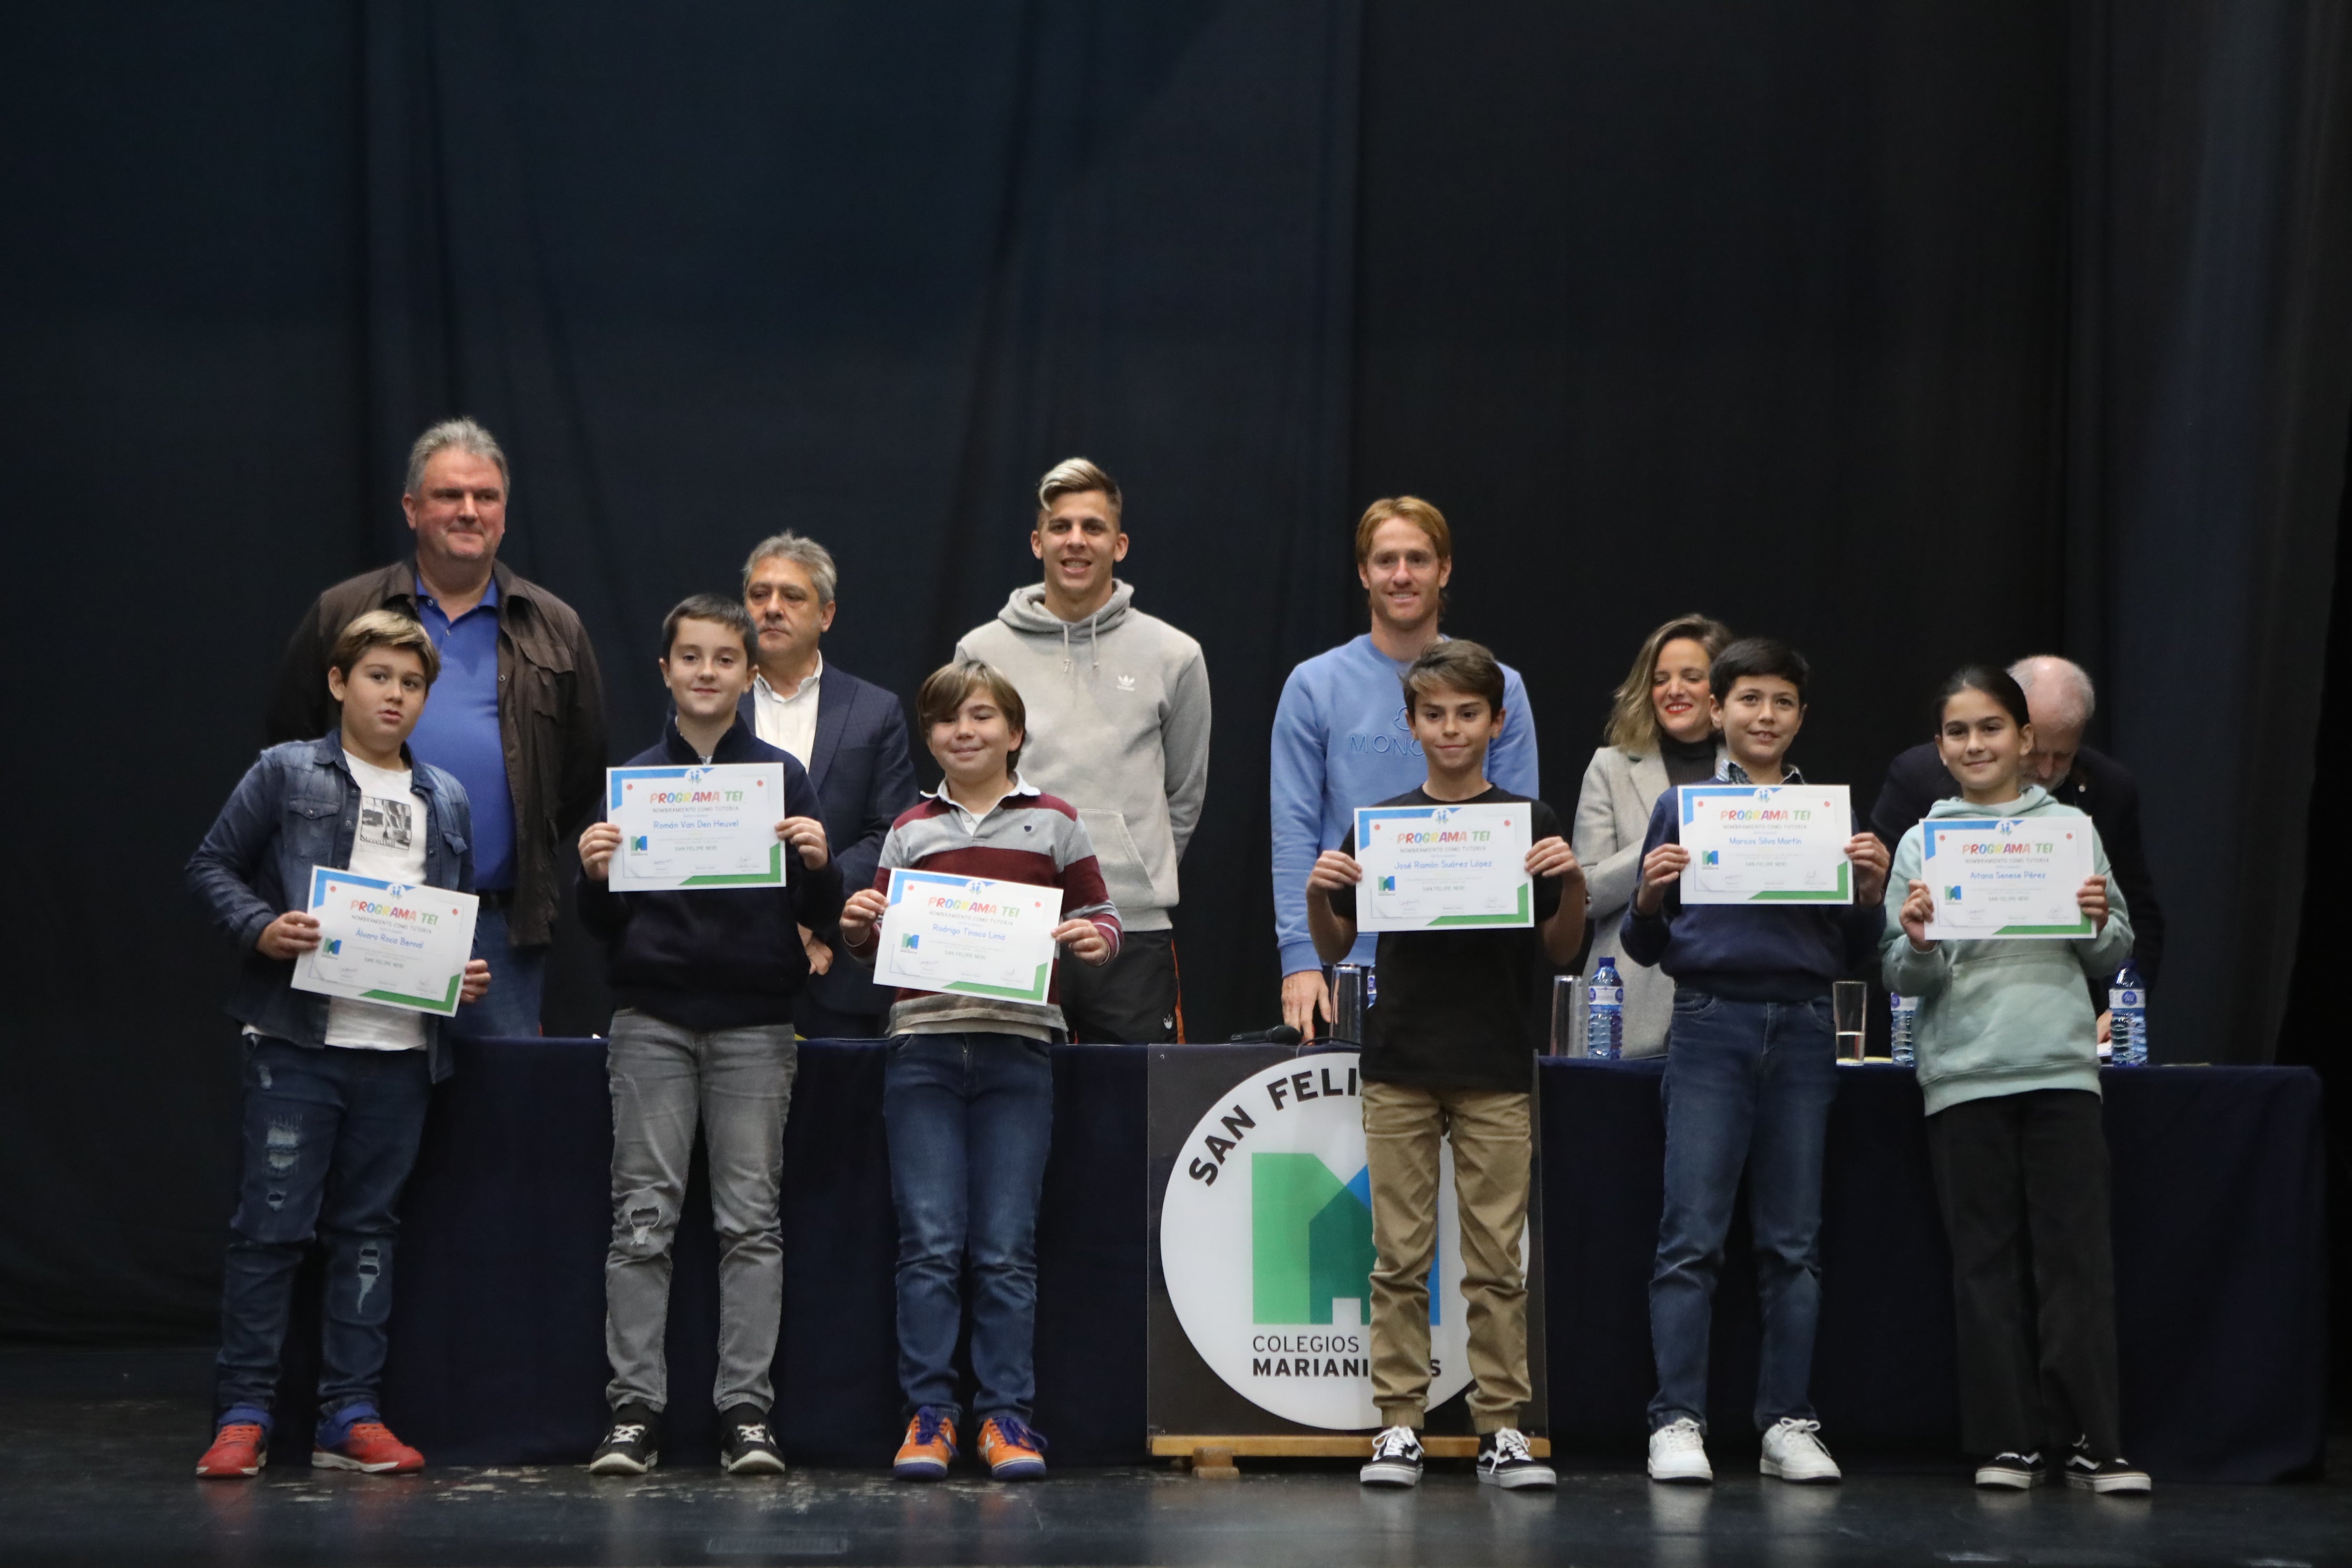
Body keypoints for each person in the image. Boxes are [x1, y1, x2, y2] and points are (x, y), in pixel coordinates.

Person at [186, 611, 493, 1478]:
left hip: (401, 1051)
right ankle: (244, 1412)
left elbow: (449, 919)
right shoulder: (286, 772)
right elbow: (210, 864)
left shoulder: (445, 797)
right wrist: (261, 928)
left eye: (410, 683)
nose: (393, 695)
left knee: (367, 1233)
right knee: (271, 1231)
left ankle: (348, 1412)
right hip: (297, 1042)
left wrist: (459, 975)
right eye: (377, 677)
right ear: (337, 682)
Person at [1304, 642, 1586, 1492]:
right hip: (1399, 1061)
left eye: (1467, 713)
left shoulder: (1527, 823)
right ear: (1410, 724)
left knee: (1497, 1258)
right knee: (1396, 1257)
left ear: (1495, 723)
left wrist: (1568, 880)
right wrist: (1323, 892)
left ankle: (1501, 1425)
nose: (1451, 728)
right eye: (1434, 714)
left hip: (1495, 1060)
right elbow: (1336, 943)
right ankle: (1398, 1424)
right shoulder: (1379, 823)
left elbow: (1560, 948)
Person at [836, 661, 1121, 1483]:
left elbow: (1103, 919)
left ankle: (1006, 1418)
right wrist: (860, 926)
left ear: (1015, 733)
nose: (966, 732)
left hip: (1020, 1051)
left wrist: (1095, 940)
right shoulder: (909, 829)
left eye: (984, 717)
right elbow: (877, 945)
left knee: (1004, 1249)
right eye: (948, 721)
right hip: (922, 1047)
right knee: (928, 1244)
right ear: (928, 737)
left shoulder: (1057, 824)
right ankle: (930, 1416)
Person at [577, 595, 842, 1478]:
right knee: (643, 1222)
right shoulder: (633, 781)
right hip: (650, 1021)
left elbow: (818, 918)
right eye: (688, 657)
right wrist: (593, 874)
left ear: (748, 673)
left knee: (749, 1224)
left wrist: (817, 863)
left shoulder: (780, 779)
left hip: (755, 1026)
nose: (704, 673)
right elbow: (603, 925)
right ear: (664, 670)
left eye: (723, 659)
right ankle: (634, 1412)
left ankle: (745, 1413)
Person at [1620, 638, 1890, 1487]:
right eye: (1748, 700)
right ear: (1717, 710)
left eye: (1781, 702)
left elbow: (1853, 947)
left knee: (1792, 1243)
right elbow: (1643, 943)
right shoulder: (1684, 808)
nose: (1763, 716)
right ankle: (1678, 1420)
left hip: (1808, 1026)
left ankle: (1787, 1421)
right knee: (1689, 1238)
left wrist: (1872, 894)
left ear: (1800, 717)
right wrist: (1651, 895)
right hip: (1708, 1023)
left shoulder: (1830, 817)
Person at [1882, 667, 2149, 1495]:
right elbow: (1897, 973)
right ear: (1940, 747)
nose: (1975, 745)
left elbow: (2112, 952)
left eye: (1991, 728)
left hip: (2063, 1070)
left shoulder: (2070, 829)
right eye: (1958, 732)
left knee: (2075, 1261)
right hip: (1965, 1075)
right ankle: (2009, 1442)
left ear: (2025, 738)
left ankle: (2093, 1442)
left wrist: (2099, 920)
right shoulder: (1924, 842)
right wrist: (1920, 939)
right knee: (1985, 1264)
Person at [268, 418, 607, 1038]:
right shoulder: (345, 612)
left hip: (499, 928)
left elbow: (580, 771)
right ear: (412, 507)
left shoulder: (555, 626)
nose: (469, 511)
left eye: (486, 497)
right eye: (450, 495)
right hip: (363, 916)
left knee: (497, 1121)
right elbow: (289, 744)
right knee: (381, 1116)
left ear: (504, 513)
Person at [955, 458, 1209, 1043]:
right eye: (1062, 526)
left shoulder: (1175, 655)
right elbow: (965, 780)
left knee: (1133, 1123)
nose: (1076, 541)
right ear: (1037, 541)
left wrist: (1133, 877)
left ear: (1119, 545)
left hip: (1131, 929)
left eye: (1093, 528)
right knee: (1017, 1119)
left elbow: (1185, 794)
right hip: (1012, 923)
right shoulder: (981, 650)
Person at [1272, 497, 1538, 1036]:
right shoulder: (1313, 684)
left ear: (1444, 570)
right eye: (1385, 560)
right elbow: (1294, 831)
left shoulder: (1499, 685)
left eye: (1418, 559)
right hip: (1352, 961)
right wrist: (1300, 957)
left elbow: (1520, 829)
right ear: (1363, 574)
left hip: (1476, 958)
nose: (1401, 575)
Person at [1869, 655, 2163, 1010]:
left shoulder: (2084, 816)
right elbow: (1895, 963)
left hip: (2062, 1036)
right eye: (1960, 732)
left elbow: (2129, 930)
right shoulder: (1919, 802)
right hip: (1955, 1040)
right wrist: (1921, 944)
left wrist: (2121, 1001)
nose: (2045, 769)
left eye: (2064, 756)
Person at [737, 531, 919, 1038]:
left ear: (826, 615)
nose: (772, 608)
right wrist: (775, 933)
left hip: (838, 969)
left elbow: (891, 835)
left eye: (792, 596)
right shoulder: (710, 707)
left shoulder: (874, 711)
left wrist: (811, 922)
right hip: (733, 973)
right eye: (759, 595)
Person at [1573, 614, 1733, 1057]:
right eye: (1660, 679)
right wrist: (1665, 832)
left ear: (1722, 690)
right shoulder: (1611, 766)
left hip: (1727, 1010)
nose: (1674, 690)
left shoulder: (1753, 774)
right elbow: (1584, 894)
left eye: (1691, 677)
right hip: (1626, 1009)